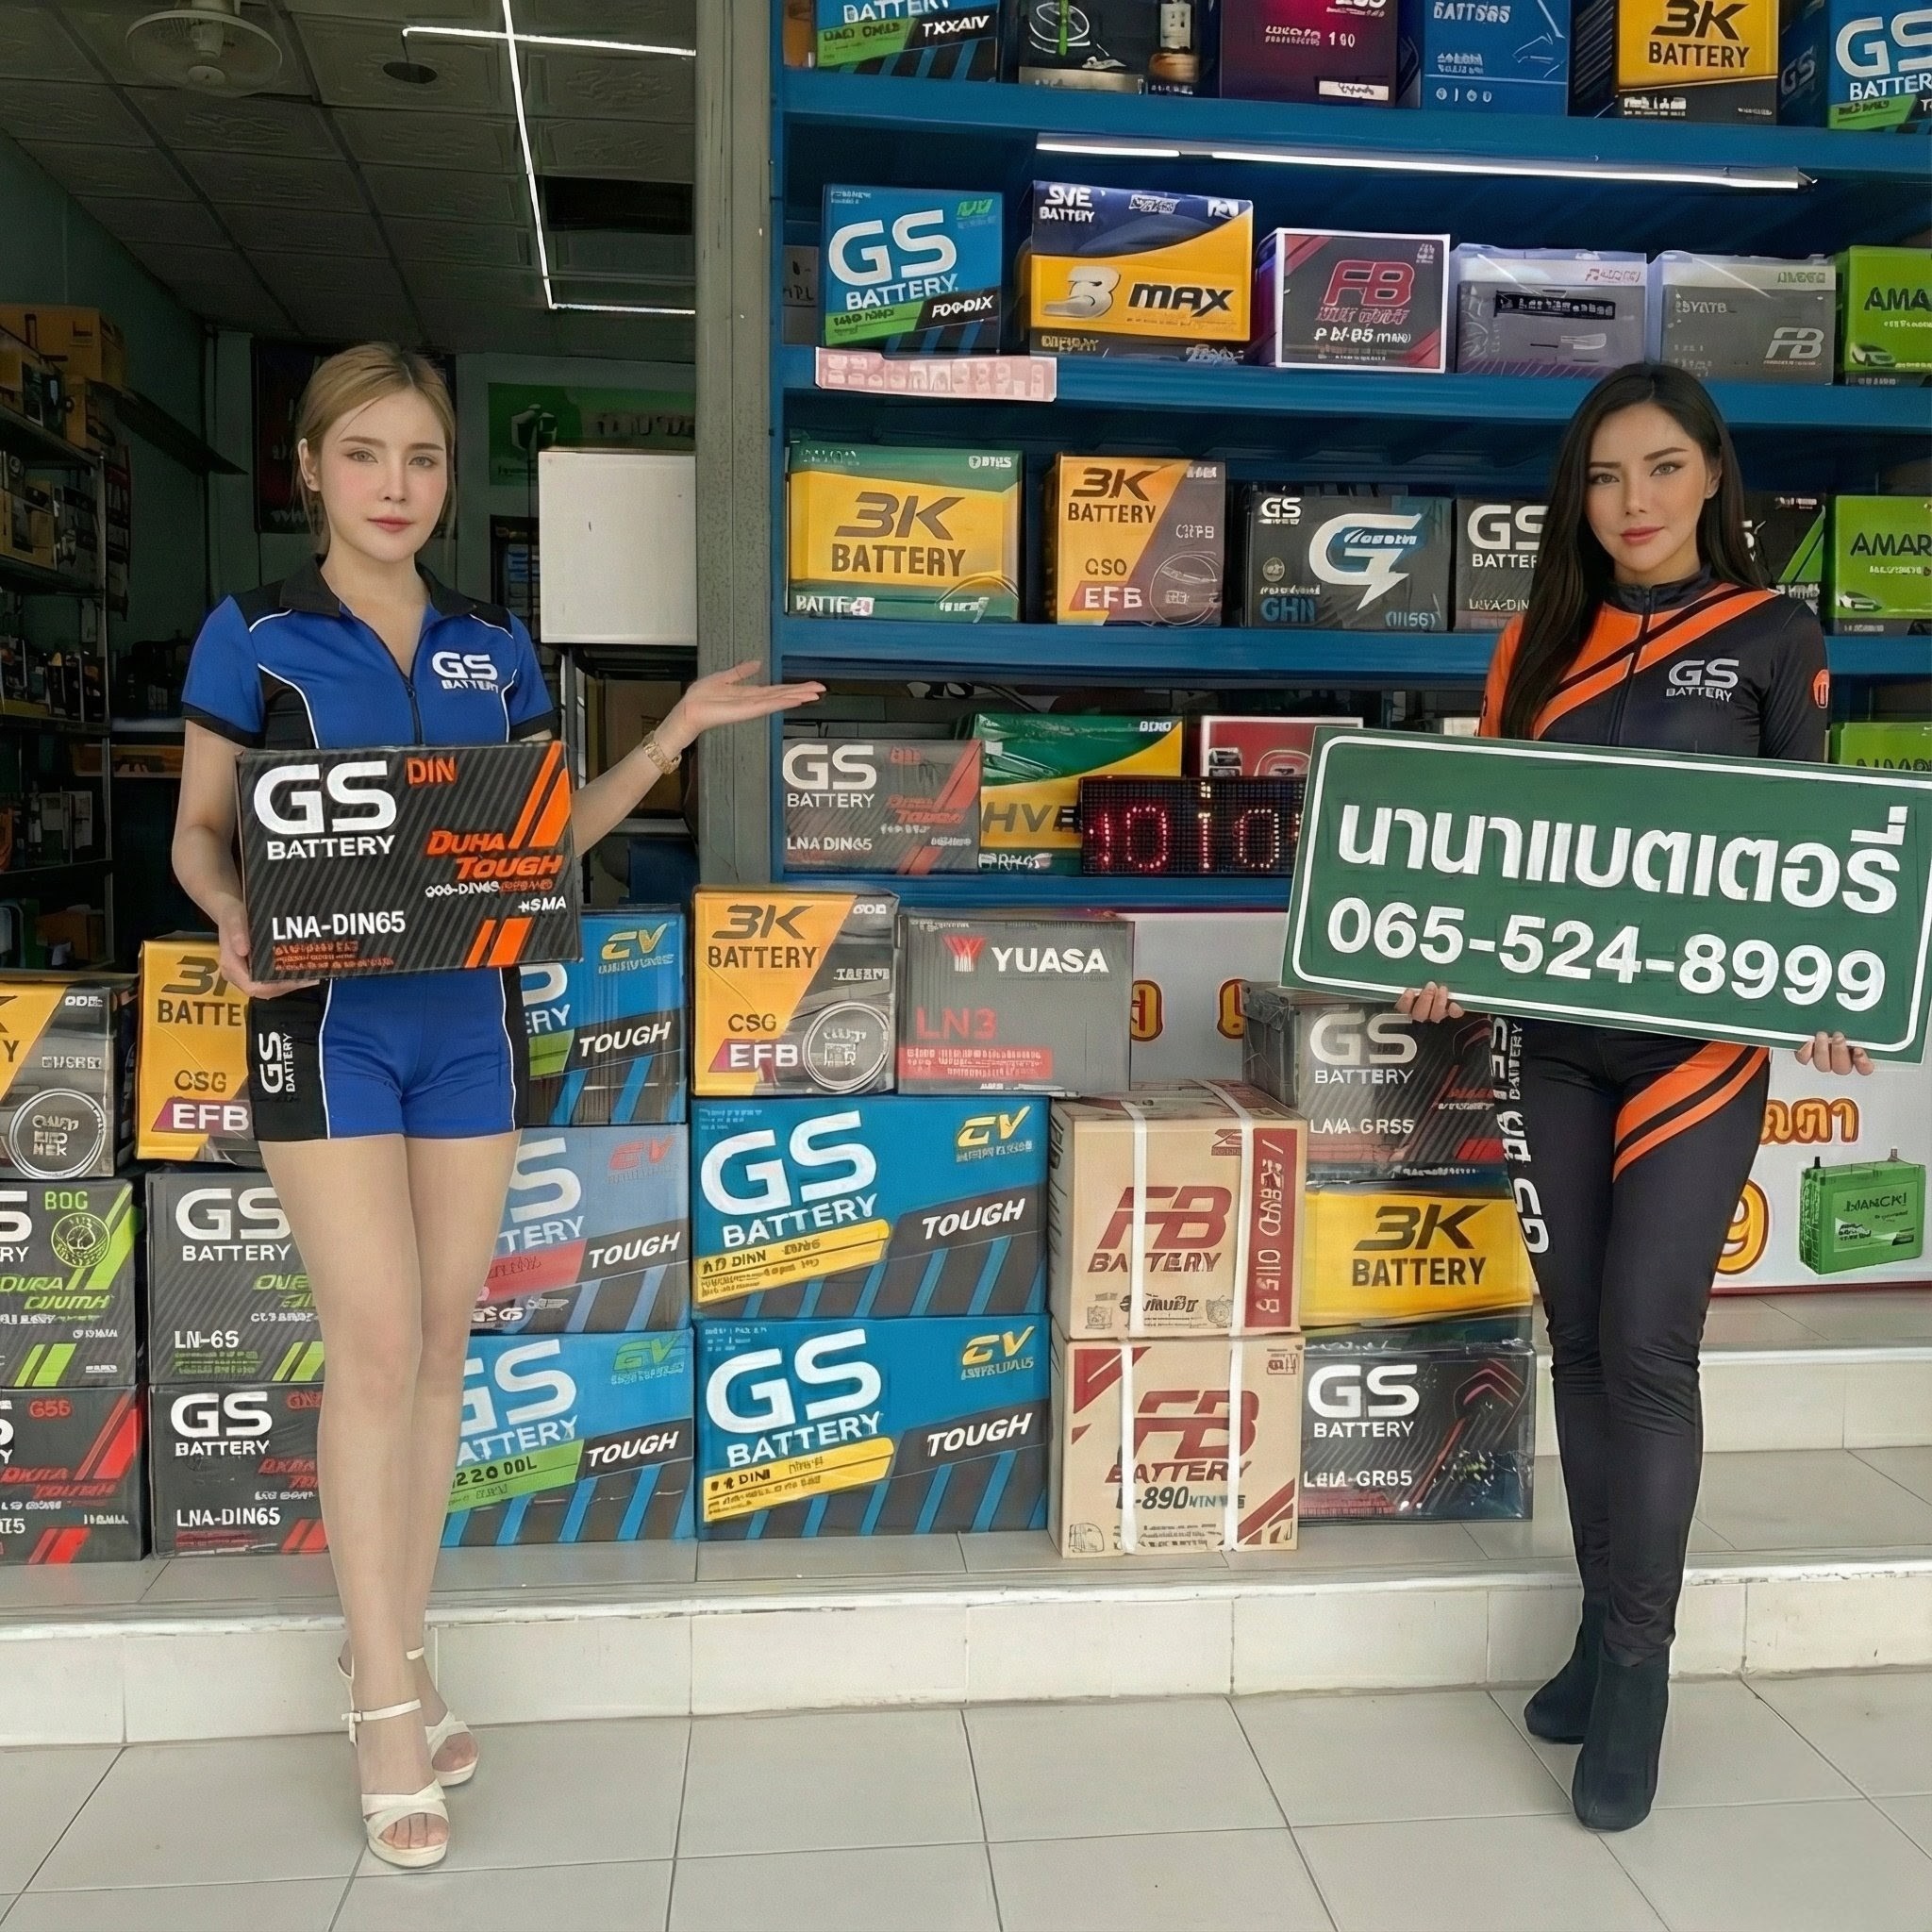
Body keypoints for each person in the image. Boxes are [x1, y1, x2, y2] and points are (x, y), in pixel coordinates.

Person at [171, 343, 822, 1870]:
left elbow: (542, 838)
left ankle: (392, 1646)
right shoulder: (253, 633)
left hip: (471, 1028)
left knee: (441, 1353)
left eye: (423, 458)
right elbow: (202, 831)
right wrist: (227, 911)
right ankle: (384, 1709)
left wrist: (664, 740)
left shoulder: (492, 644)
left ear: (449, 477)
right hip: (324, 1030)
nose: (395, 486)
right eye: (364, 454)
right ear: (311, 468)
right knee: (374, 1345)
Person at [1398, 362, 1870, 1833]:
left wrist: (1834, 978)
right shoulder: (1532, 644)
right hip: (1547, 1044)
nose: (1634, 502)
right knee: (1584, 1350)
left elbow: (1814, 850)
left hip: (1696, 1053)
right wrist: (1443, 955)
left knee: (1652, 1353)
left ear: (1713, 474)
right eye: (1605, 477)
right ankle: (1600, 1633)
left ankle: (1638, 1671)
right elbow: (1483, 851)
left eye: (1662, 468)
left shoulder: (1777, 637)